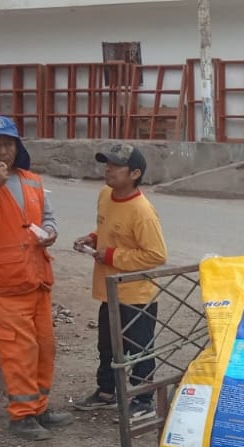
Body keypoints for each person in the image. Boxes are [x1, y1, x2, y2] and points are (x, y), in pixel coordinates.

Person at [0, 115, 72, 441]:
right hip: (4, 285)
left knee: (44, 347)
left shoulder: (32, 180)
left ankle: (40, 407)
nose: (3, 151)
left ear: (17, 147)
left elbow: (48, 218)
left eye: (9, 144)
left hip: (37, 279)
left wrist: (50, 232)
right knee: (18, 351)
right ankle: (21, 416)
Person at [72, 144, 168, 423]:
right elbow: (108, 229)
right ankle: (107, 391)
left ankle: (143, 399)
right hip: (109, 289)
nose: (108, 169)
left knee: (139, 348)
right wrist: (93, 239)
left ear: (135, 173)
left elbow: (156, 254)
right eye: (107, 163)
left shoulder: (142, 211)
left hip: (136, 293)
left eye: (116, 166)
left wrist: (111, 254)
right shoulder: (105, 195)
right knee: (107, 344)